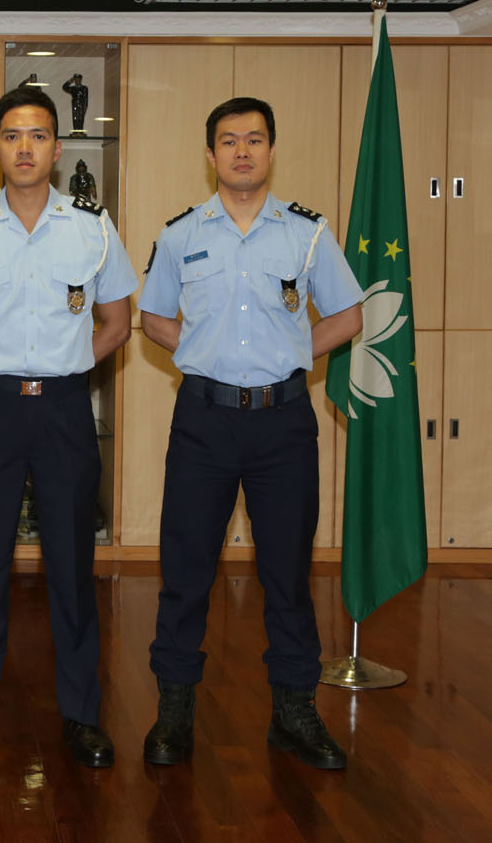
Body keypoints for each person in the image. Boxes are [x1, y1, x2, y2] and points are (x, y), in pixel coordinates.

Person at [138, 96, 363, 770]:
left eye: (255, 139)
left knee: (287, 574)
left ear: (271, 150)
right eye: (230, 140)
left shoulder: (308, 234)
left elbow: (347, 314)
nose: (242, 151)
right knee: (185, 572)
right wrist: (199, 352)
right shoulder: (180, 235)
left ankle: (294, 713)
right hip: (203, 421)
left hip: (282, 423)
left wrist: (292, 353)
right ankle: (174, 713)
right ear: (210, 155)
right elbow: (154, 317)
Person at [0, 85, 136, 768]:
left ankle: (82, 715)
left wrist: (70, 365)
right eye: (13, 136)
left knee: (71, 565)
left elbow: (118, 321)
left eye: (38, 135)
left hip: (65, 409)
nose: (25, 148)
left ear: (57, 148)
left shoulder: (93, 227)